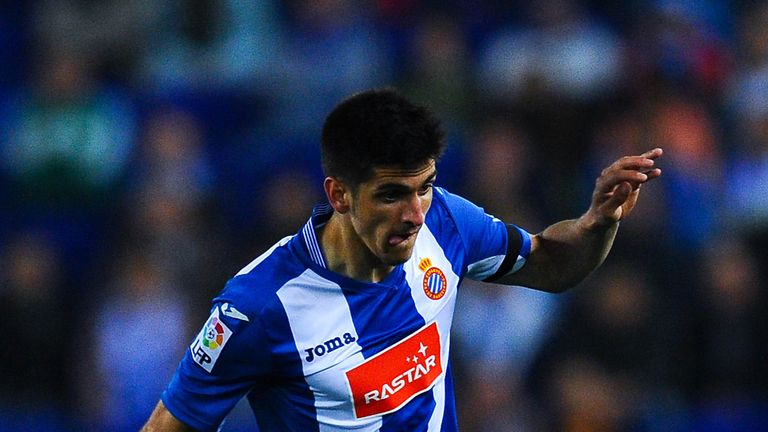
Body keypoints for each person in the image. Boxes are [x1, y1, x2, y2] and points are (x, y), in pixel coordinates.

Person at [142, 88, 662, 431]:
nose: (415, 214)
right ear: (339, 194)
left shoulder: (447, 221)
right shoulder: (257, 306)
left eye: (425, 186)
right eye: (391, 194)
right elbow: (170, 424)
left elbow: (555, 265)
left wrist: (598, 221)